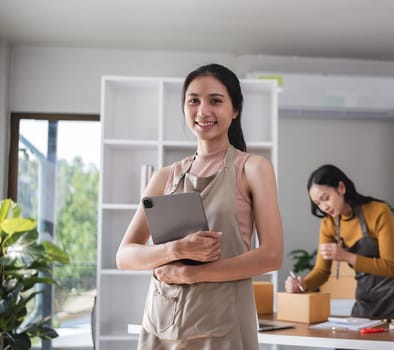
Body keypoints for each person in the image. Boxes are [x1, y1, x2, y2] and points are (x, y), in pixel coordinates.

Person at [116, 63, 283, 350]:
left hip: (222, 326)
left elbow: (271, 256)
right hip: (161, 323)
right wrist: (175, 250)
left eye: (215, 101)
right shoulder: (165, 176)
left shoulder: (253, 168)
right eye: (193, 100)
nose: (203, 111)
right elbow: (125, 256)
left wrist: (192, 273)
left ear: (235, 110)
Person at [285, 164, 394, 321]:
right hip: (366, 299)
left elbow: (390, 267)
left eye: (325, 198)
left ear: (341, 187)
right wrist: (302, 284)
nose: (323, 207)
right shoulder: (328, 224)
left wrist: (346, 256)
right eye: (317, 204)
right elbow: (322, 271)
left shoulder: (378, 211)